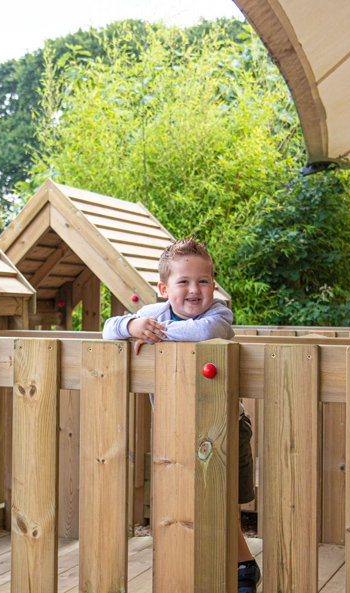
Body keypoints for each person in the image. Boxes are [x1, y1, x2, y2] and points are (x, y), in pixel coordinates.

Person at [102, 237, 260, 593]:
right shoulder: (153, 314)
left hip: (225, 427)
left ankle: (240, 566)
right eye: (183, 282)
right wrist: (131, 327)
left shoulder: (218, 313)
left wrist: (156, 336)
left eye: (203, 281)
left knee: (222, 501)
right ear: (163, 288)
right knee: (186, 503)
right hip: (178, 430)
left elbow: (204, 332)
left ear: (213, 286)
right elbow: (108, 328)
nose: (195, 289)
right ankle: (233, 565)